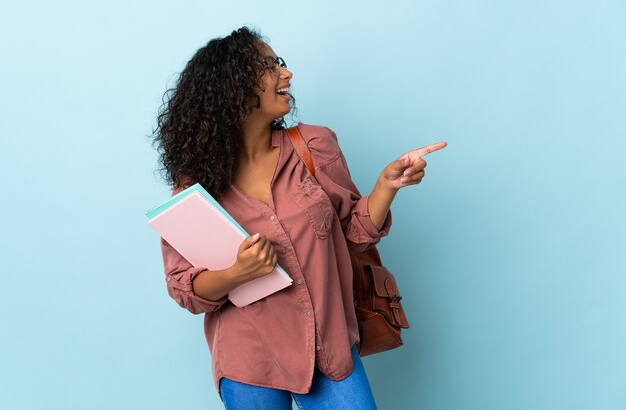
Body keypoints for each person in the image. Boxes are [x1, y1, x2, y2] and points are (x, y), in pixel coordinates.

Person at [151, 26, 446, 410]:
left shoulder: (313, 145)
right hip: (249, 359)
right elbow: (184, 289)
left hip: (329, 348)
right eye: (268, 65)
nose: (286, 74)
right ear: (233, 86)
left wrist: (386, 187)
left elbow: (355, 234)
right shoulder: (197, 184)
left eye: (281, 63)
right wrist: (237, 273)